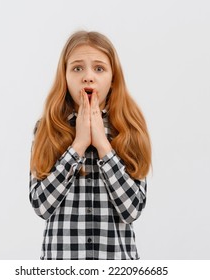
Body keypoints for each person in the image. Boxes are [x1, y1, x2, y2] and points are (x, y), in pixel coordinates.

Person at [29, 30, 151, 260]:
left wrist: (103, 144)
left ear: (113, 78)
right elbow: (41, 206)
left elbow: (132, 210)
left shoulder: (130, 128)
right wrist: (79, 144)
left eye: (99, 68)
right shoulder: (47, 129)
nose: (88, 76)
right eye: (77, 68)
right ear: (64, 76)